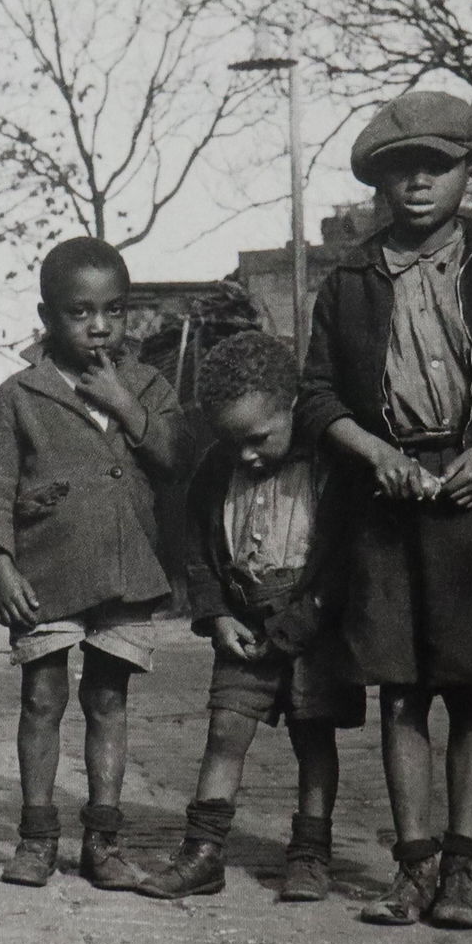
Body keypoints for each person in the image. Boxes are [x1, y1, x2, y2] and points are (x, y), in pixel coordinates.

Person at [298, 92, 472, 930]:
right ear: (379, 184)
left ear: (468, 173)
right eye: (398, 171)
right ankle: (411, 867)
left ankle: (464, 869)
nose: (417, 185)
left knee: (470, 689)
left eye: (436, 168)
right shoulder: (348, 280)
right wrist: (375, 453)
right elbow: (314, 397)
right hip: (386, 511)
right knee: (400, 689)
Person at [0, 237, 181, 892]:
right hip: (45, 573)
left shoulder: (146, 384)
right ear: (47, 317)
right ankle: (37, 836)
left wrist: (127, 407)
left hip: (125, 569)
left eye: (112, 311)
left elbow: (181, 461)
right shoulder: (21, 393)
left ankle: (104, 842)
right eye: (80, 312)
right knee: (41, 697)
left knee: (108, 699)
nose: (98, 327)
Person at [138, 330, 364, 904]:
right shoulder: (217, 470)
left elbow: (342, 559)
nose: (245, 454)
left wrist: (301, 626)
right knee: (224, 732)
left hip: (313, 628)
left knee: (314, 740)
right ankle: (205, 851)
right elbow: (198, 548)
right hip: (243, 625)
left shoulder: (329, 466)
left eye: (258, 437)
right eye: (230, 440)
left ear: (290, 406)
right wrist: (215, 615)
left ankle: (311, 854)